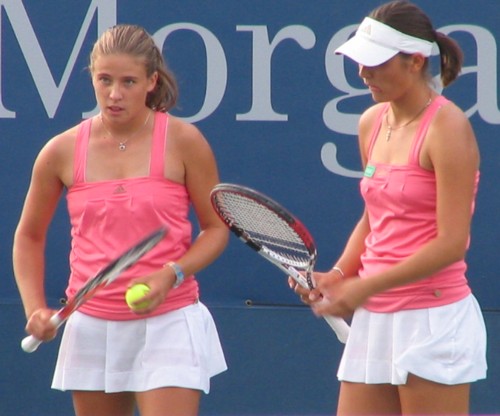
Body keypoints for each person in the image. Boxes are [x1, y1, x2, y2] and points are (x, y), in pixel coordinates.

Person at [13, 24, 229, 416]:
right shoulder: (59, 151)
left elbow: (216, 229)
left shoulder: (184, 141)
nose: (114, 94)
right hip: (91, 326)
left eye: (129, 81)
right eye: (105, 80)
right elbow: (28, 236)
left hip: (170, 322)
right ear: (92, 79)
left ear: (151, 81)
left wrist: (172, 273)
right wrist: (34, 309)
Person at [290, 1, 487, 415]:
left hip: (432, 320)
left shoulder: (449, 129)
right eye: (360, 62)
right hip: (375, 319)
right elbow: (374, 215)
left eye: (376, 64)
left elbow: (451, 243)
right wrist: (340, 274)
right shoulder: (371, 122)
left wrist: (362, 287)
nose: (363, 74)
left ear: (415, 62)